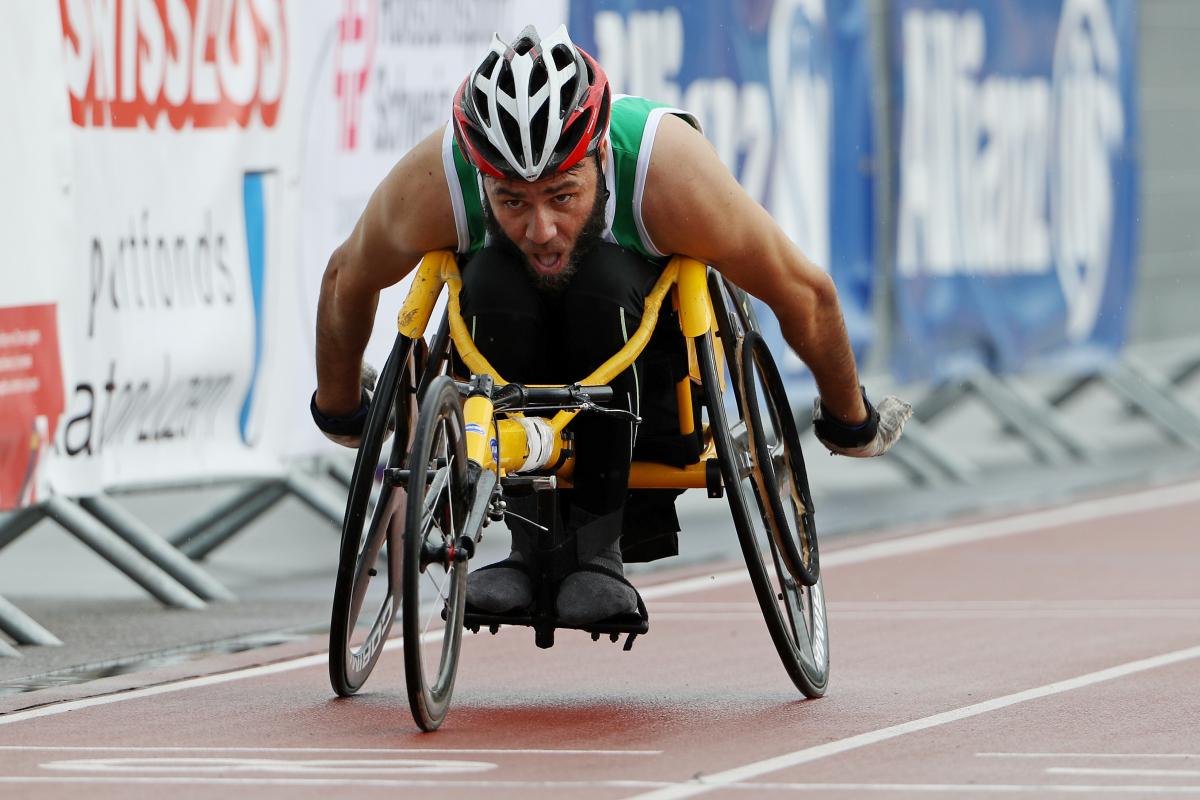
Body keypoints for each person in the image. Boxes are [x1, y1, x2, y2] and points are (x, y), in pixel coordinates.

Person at [312, 25, 912, 625]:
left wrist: (848, 419)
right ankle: (529, 548)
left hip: (643, 368)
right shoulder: (443, 179)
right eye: (512, 202)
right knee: (491, 276)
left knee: (599, 280)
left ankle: (598, 550)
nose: (541, 228)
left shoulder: (667, 171)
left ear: (600, 157)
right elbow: (347, 277)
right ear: (481, 174)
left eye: (562, 196)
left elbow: (804, 293)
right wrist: (344, 411)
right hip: (501, 344)